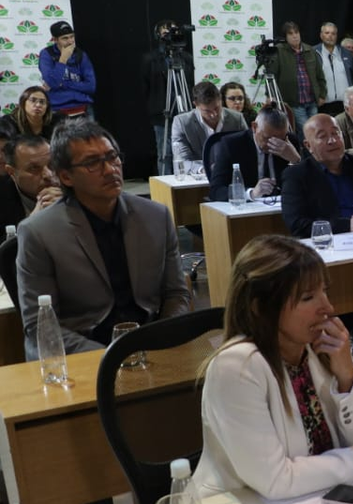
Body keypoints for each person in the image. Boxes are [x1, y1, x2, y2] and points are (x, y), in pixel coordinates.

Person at [193, 235, 353, 501]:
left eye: (325, 291)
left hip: (313, 503)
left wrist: (347, 374)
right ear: (260, 308)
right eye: (308, 297)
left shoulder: (319, 348)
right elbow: (276, 481)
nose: (327, 307)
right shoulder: (236, 368)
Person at [15, 119, 191, 360]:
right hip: (83, 352)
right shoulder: (38, 232)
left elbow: (176, 294)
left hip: (150, 345)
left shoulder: (155, 216)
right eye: (92, 163)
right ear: (66, 176)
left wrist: (161, 340)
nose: (110, 169)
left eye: (112, 157)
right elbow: (39, 325)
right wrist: (112, 357)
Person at [208, 106, 300, 203]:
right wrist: (251, 193)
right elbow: (216, 191)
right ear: (254, 127)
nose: (272, 144)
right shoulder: (231, 145)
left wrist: (296, 160)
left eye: (280, 139)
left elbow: (306, 186)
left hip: (282, 205)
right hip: (247, 206)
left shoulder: (289, 142)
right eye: (266, 138)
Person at [140, 19, 194, 174]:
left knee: (186, 149)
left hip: (183, 109)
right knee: (165, 152)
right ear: (158, 35)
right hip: (162, 112)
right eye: (166, 32)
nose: (170, 35)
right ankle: (165, 182)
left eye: (174, 31)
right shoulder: (150, 59)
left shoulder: (186, 58)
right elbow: (146, 86)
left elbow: (189, 81)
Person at [170, 80, 247, 163]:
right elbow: (182, 160)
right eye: (207, 111)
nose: (214, 114)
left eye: (216, 108)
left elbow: (247, 150)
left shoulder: (237, 119)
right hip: (197, 170)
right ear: (196, 105)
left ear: (221, 99)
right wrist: (205, 168)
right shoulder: (182, 123)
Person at [269, 21, 326, 130]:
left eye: (296, 32)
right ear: (285, 37)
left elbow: (320, 75)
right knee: (307, 130)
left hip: (312, 99)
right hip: (294, 102)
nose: (295, 36)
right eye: (290, 33)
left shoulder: (309, 49)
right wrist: (270, 94)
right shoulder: (279, 51)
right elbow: (272, 75)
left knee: (316, 129)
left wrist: (322, 95)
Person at [1, 134, 61, 230]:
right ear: (11, 172)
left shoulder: (74, 184)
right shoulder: (3, 198)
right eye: (34, 168)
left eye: (51, 164)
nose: (48, 175)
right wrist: (32, 222)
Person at [38, 21, 96, 118]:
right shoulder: (46, 54)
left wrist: (63, 84)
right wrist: (63, 59)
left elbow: (91, 87)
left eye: (72, 37)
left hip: (83, 108)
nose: (70, 41)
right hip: (57, 110)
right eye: (65, 38)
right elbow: (52, 83)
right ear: (55, 40)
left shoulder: (81, 54)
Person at [316, 22, 353, 117]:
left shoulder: (346, 53)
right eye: (327, 33)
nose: (330, 36)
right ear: (321, 35)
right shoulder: (314, 52)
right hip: (323, 104)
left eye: (333, 33)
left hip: (345, 104)